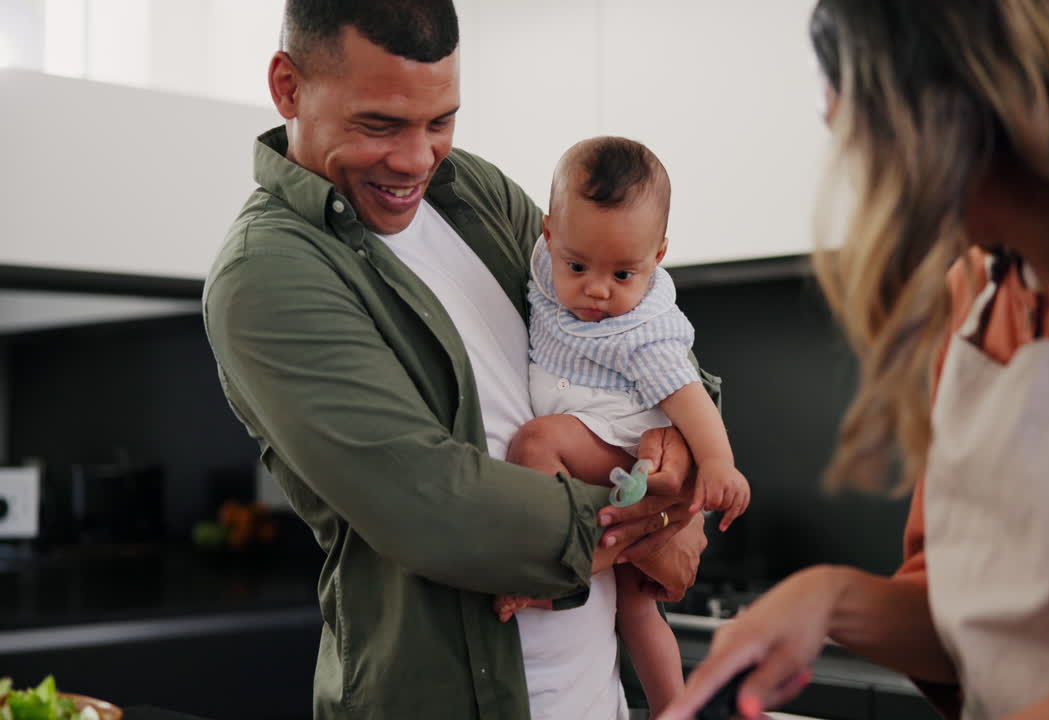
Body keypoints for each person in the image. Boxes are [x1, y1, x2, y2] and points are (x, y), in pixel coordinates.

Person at [659, 1, 1049, 719]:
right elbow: (972, 618)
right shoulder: (979, 289)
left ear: (955, 99)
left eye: (869, 131)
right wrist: (830, 597)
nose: (864, 176)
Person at [201, 1, 715, 718]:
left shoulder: (468, 190)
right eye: (379, 124)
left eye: (439, 121)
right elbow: (439, 507)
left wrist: (678, 460)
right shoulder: (267, 274)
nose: (416, 158)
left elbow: (636, 339)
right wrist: (651, 521)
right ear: (288, 87)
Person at [491, 137, 752, 713]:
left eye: (623, 274)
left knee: (537, 441)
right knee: (636, 609)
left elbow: (689, 400)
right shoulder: (541, 270)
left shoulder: (643, 333)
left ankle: (545, 570)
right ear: (549, 237)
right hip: (610, 449)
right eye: (577, 266)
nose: (598, 291)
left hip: (623, 442)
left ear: (658, 256)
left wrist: (718, 464)